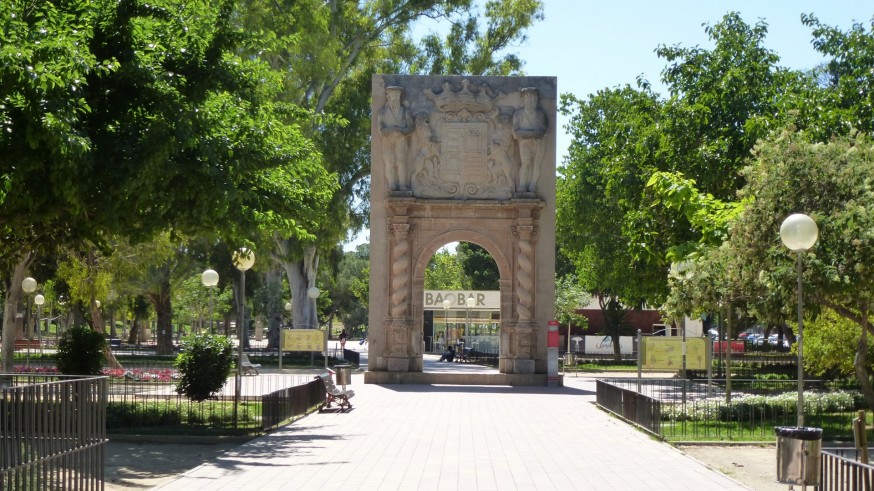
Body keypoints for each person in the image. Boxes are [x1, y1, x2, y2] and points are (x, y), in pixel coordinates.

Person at [379, 86, 414, 191]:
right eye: (392, 98)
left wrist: (400, 131)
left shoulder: (405, 112)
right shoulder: (382, 113)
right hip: (388, 141)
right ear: (388, 98)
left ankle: (403, 185)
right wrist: (392, 130)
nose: (394, 100)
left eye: (396, 98)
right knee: (389, 162)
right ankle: (392, 185)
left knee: (401, 162)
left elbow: (410, 128)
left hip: (401, 140)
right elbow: (381, 130)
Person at [512, 87, 547, 193]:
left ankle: (533, 184)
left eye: (533, 99)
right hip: (524, 143)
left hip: (538, 143)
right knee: (526, 163)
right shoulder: (518, 114)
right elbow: (516, 133)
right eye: (528, 99)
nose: (531, 102)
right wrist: (532, 133)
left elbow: (542, 132)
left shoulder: (540, 114)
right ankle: (522, 184)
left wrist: (526, 133)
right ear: (524, 100)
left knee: (536, 164)